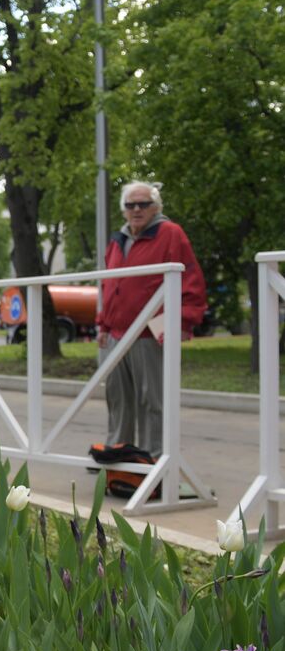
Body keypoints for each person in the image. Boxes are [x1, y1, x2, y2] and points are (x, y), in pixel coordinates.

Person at [95, 181, 206, 457]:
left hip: (151, 333)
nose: (136, 209)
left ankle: (153, 459)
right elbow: (109, 287)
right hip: (117, 334)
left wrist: (182, 321)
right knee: (118, 399)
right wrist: (103, 324)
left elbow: (191, 279)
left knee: (153, 400)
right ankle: (117, 455)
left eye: (143, 204)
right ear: (123, 210)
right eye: (130, 205)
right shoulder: (117, 241)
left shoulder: (170, 233)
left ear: (155, 207)